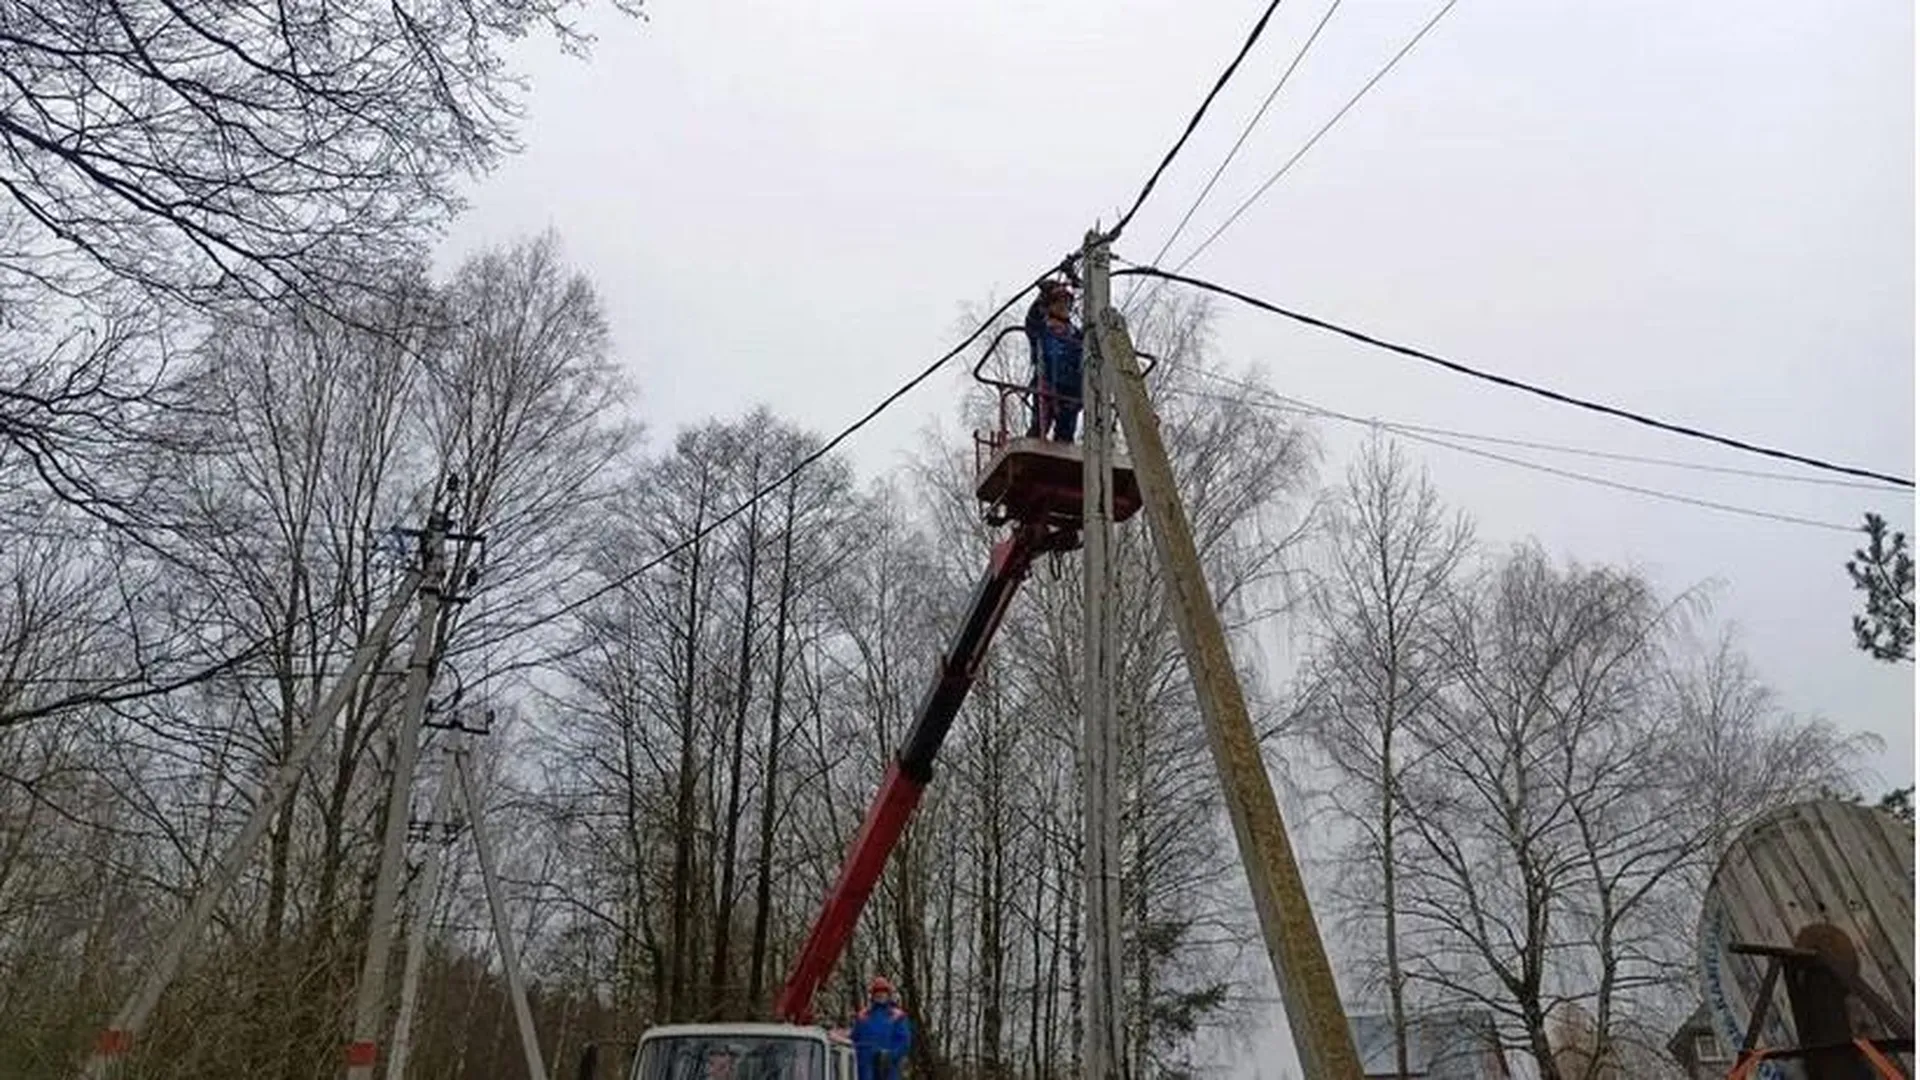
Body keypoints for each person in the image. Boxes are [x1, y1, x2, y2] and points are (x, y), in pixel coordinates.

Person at [1023, 280, 1083, 443]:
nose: (1063, 306)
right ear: (1049, 305)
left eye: (1066, 302)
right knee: (1039, 427)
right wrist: (1042, 295)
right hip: (1046, 383)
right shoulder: (1042, 328)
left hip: (1071, 388)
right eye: (1058, 302)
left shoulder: (1077, 334)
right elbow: (1032, 319)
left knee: (1066, 433)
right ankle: (1033, 451)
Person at [850, 976, 912, 1080]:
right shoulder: (863, 1016)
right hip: (863, 1070)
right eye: (877, 991)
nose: (880, 994)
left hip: (887, 1070)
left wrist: (890, 1055)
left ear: (888, 994)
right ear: (872, 995)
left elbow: (904, 1042)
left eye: (883, 991)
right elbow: (853, 1038)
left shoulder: (897, 1016)